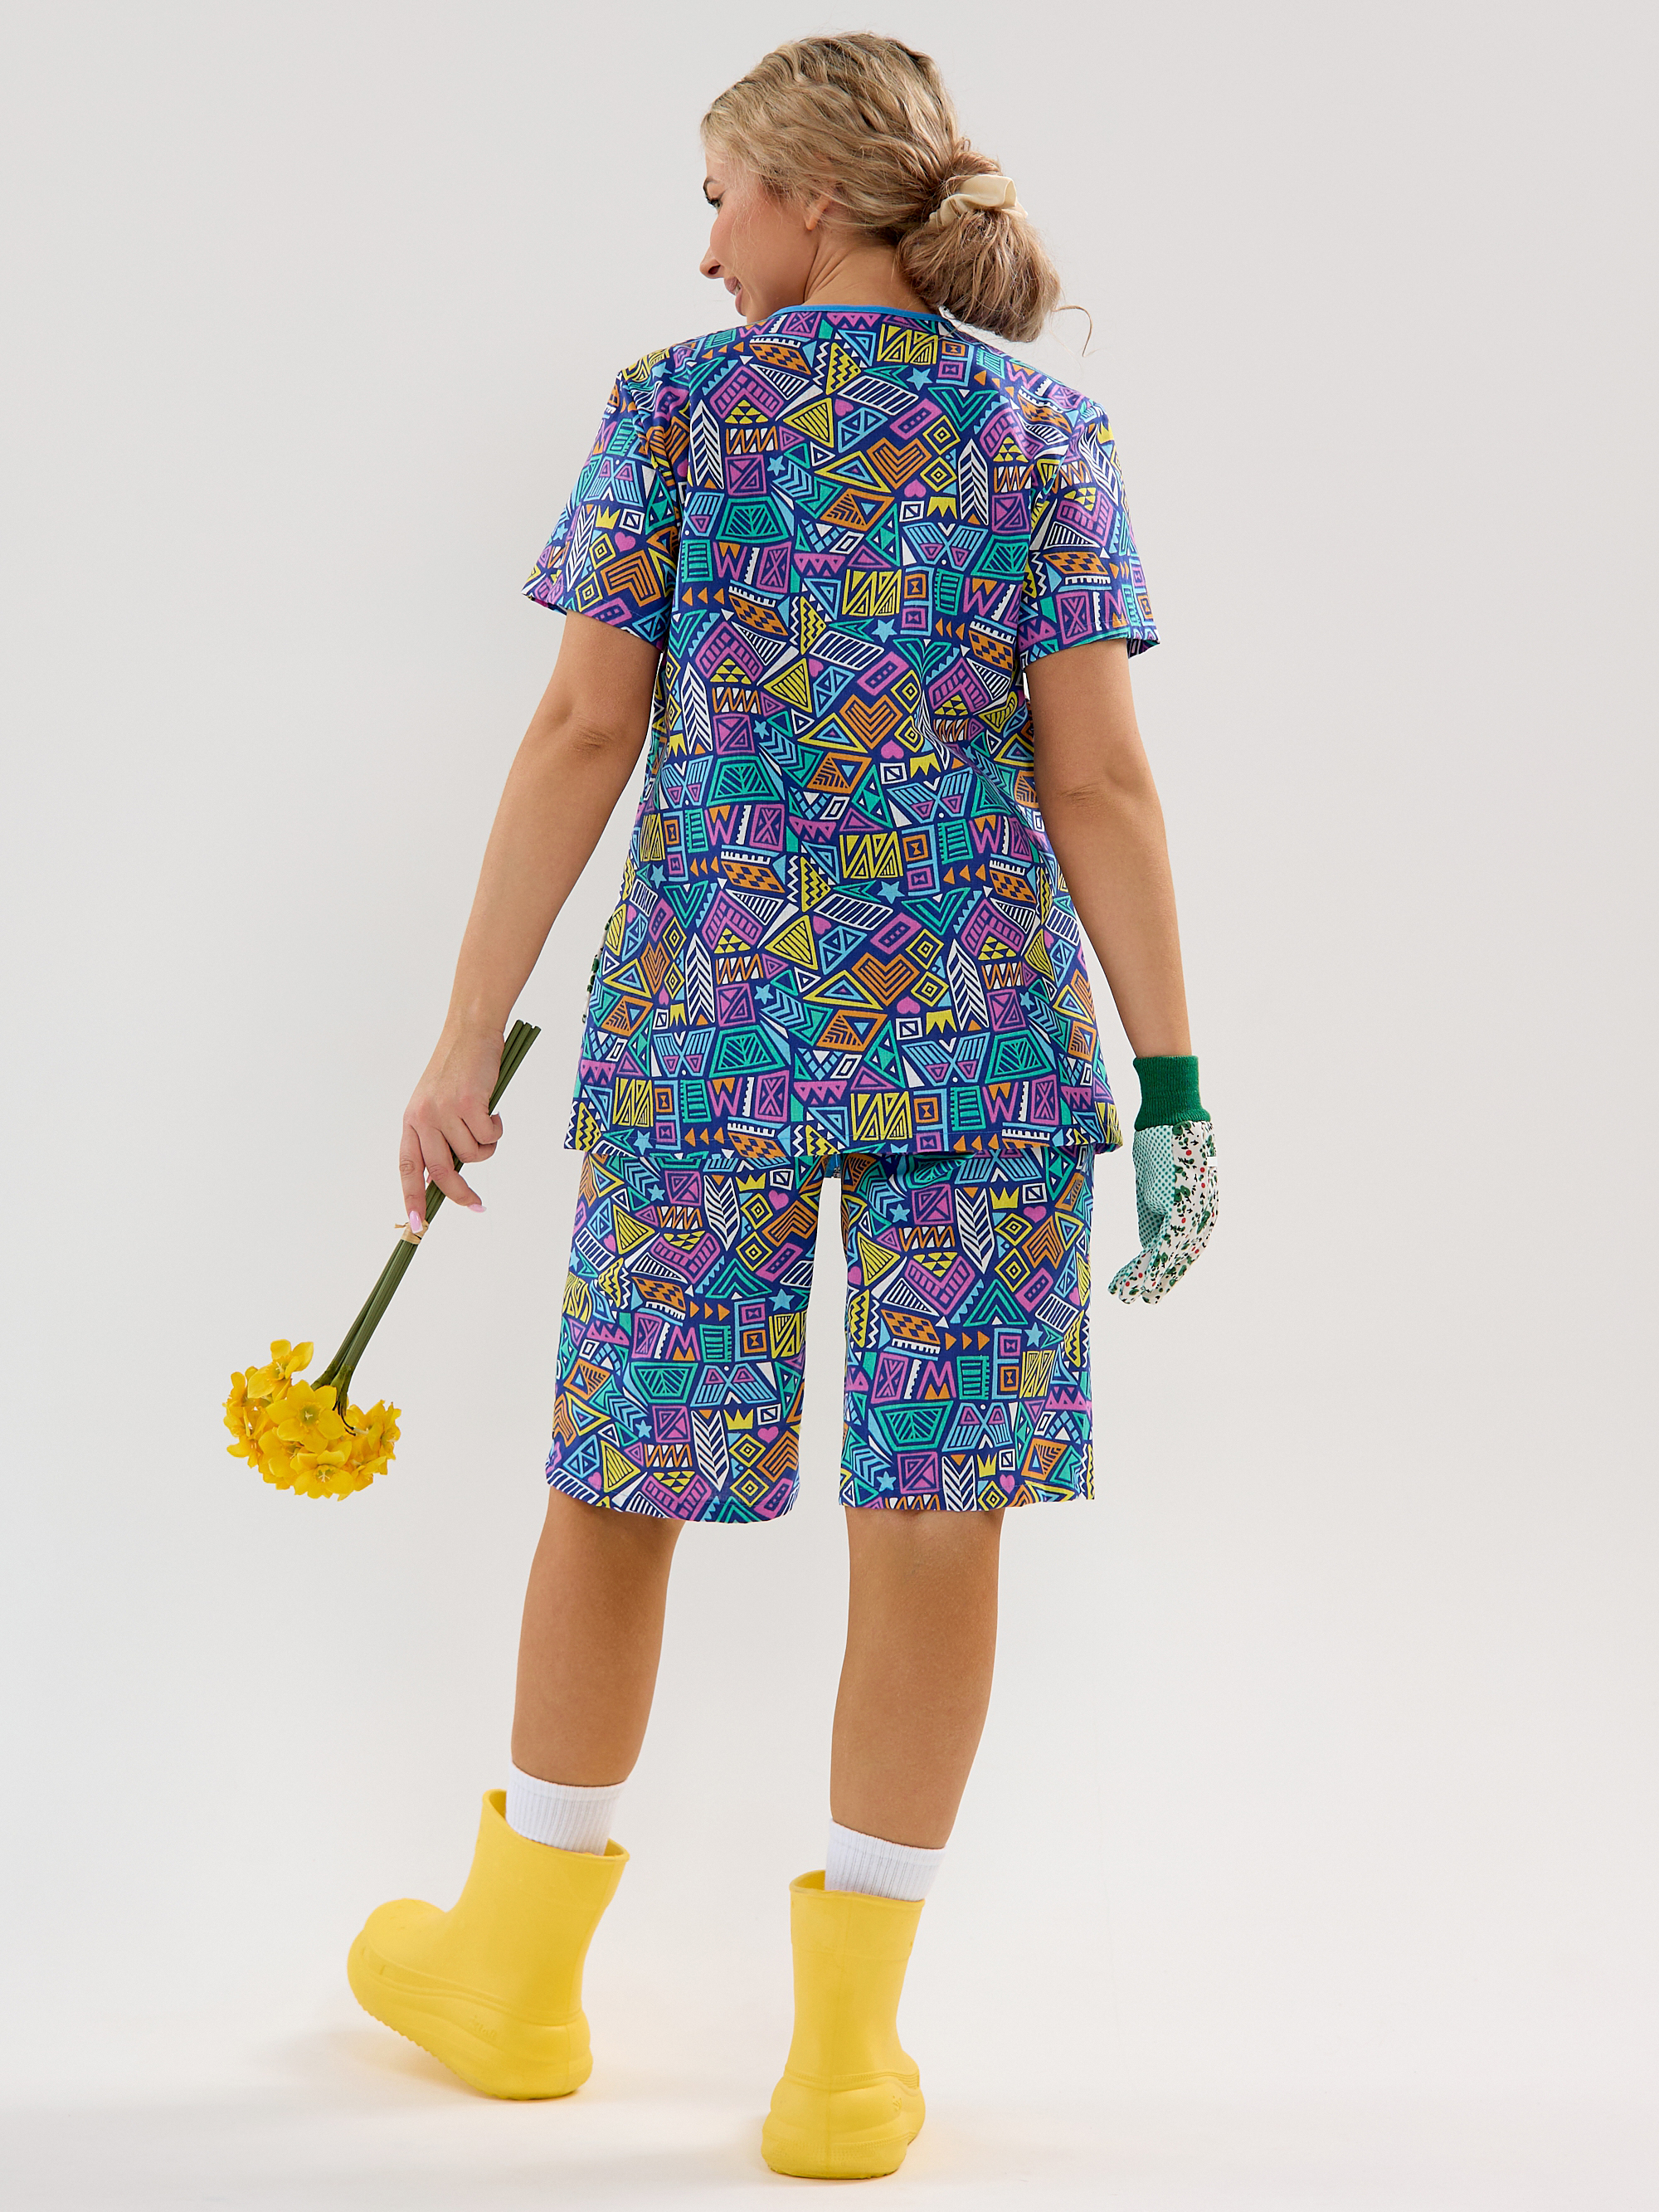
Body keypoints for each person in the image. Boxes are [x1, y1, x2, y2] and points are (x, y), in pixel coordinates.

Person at [346, 31, 1217, 2181]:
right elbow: (1098, 778)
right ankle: (844, 2056)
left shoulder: (678, 411)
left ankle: (515, 1972)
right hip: (985, 1055)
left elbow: (582, 736)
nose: (708, 243)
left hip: (705, 1040)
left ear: (814, 200)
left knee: (621, 1481)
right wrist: (1174, 1081)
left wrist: (464, 1032)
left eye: (724, 194)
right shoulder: (1046, 433)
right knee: (939, 1506)